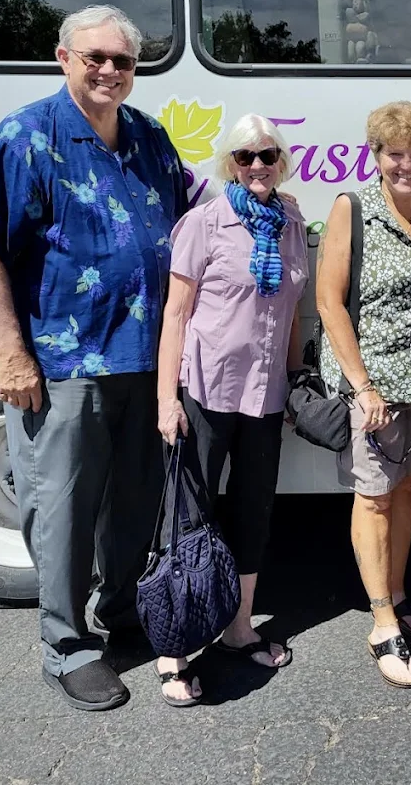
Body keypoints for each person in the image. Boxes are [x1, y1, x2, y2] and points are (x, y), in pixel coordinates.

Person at [0, 4, 187, 711]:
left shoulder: (149, 137)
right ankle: (67, 645)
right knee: (60, 507)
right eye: (96, 58)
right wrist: (11, 356)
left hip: (145, 360)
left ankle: (119, 617)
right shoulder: (27, 135)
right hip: (64, 363)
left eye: (123, 61)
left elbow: (188, 221)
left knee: (131, 504)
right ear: (64, 58)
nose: (111, 71)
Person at [152, 115, 308, 706]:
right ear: (231, 165)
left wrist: (296, 382)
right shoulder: (204, 223)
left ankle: (238, 627)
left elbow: (291, 310)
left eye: (267, 154)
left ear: (281, 160)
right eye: (245, 156)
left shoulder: (291, 222)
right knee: (189, 515)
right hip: (207, 391)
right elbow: (176, 314)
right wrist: (168, 399)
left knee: (253, 511)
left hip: (265, 395)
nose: (257, 165)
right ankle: (176, 645)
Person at [316, 101, 411, 690]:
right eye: (395, 153)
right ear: (376, 155)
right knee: (373, 495)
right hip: (371, 379)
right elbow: (329, 303)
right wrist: (363, 386)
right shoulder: (353, 208)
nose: (407, 164)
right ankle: (380, 624)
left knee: (406, 488)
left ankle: (397, 594)